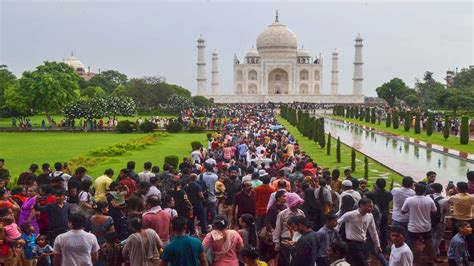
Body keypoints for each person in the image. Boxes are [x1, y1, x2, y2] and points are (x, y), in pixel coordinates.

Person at [336, 197, 381, 266]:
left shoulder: (370, 216)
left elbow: (373, 232)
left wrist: (377, 245)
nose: (371, 208)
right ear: (361, 205)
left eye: (372, 206)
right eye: (369, 206)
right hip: (352, 244)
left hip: (363, 244)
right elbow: (337, 223)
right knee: (362, 263)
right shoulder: (350, 215)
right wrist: (335, 236)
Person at [401, 183, 437, 264]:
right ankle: (431, 259)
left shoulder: (409, 200)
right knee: (428, 242)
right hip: (426, 226)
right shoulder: (429, 200)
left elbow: (403, 211)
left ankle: (416, 262)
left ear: (414, 190)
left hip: (414, 227)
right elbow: (434, 211)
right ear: (424, 191)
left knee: (415, 244)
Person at [273, 192, 305, 266]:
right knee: (287, 260)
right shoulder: (282, 214)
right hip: (285, 240)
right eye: (297, 203)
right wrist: (277, 243)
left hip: (297, 239)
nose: (298, 205)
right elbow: (278, 228)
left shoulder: (301, 213)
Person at [448, 181, 474, 261]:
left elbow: (448, 201)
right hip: (469, 220)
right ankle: (471, 256)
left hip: (457, 220)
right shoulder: (471, 197)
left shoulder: (454, 197)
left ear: (457, 188)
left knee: (456, 237)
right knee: (470, 238)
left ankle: (457, 255)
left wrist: (448, 192)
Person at [366, 178, 393, 251]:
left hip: (375, 214)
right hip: (384, 214)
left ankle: (374, 246)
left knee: (374, 230)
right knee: (384, 230)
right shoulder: (388, 194)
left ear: (376, 185)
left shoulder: (373, 193)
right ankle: (383, 246)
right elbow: (390, 199)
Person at [429, 183, 450, 262]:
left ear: (432, 189)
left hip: (429, 220)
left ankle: (434, 253)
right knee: (437, 239)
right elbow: (448, 213)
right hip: (440, 221)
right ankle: (433, 255)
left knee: (431, 237)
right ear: (441, 190)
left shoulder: (428, 197)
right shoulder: (445, 200)